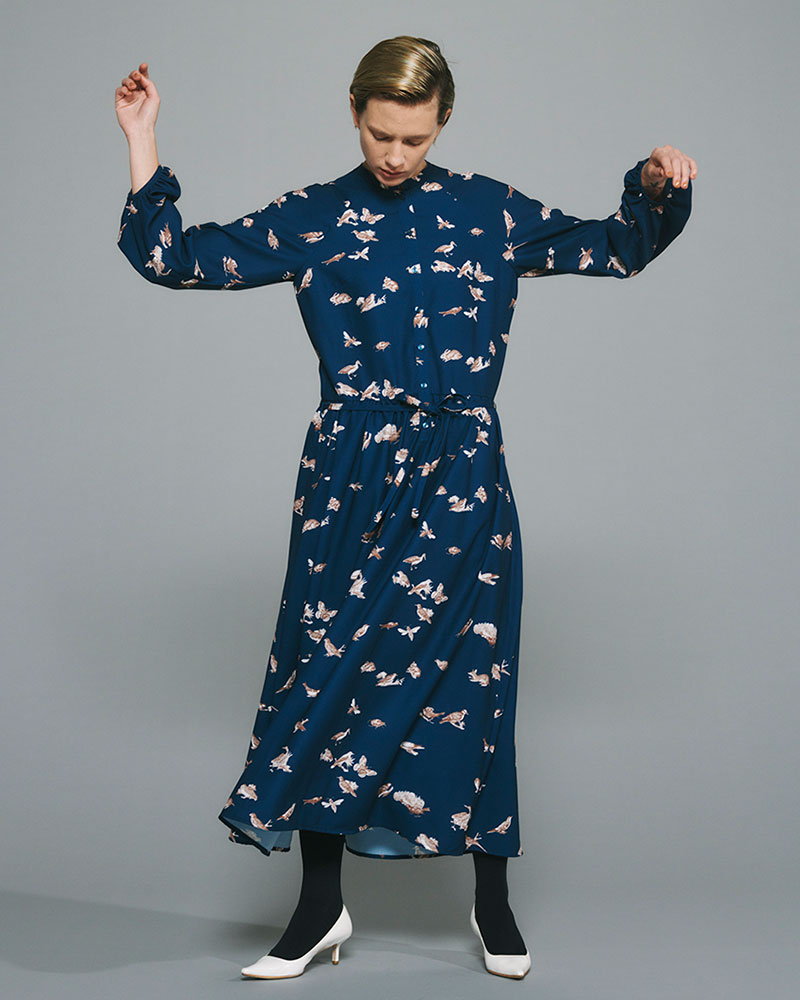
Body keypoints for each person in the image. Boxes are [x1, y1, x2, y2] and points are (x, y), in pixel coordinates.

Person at [114, 35, 696, 982]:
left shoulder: (488, 210)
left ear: (443, 122)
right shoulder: (315, 215)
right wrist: (142, 139)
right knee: (327, 671)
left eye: (414, 139)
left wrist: (655, 183)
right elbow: (173, 259)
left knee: (473, 675)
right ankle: (318, 907)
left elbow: (618, 246)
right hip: (349, 474)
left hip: (463, 473)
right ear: (355, 113)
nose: (393, 155)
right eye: (380, 134)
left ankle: (493, 904)